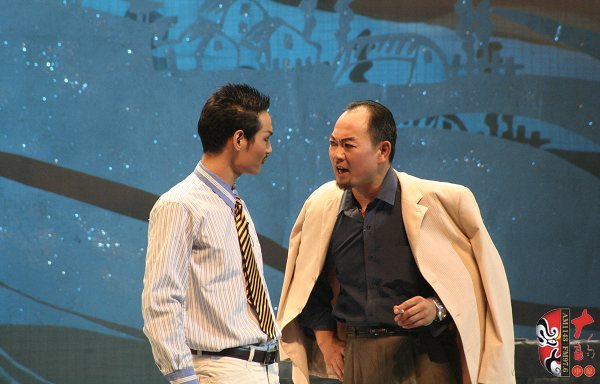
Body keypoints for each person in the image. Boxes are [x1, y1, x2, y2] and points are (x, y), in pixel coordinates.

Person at [276, 100, 515, 384]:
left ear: (383, 150)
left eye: (349, 145)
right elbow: (308, 285)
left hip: (426, 356)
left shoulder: (440, 203)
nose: (337, 155)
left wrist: (435, 308)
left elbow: (474, 286)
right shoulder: (321, 207)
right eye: (333, 144)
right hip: (358, 355)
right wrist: (326, 340)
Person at [142, 83, 281, 384]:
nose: (269, 149)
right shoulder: (180, 204)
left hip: (263, 368)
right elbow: (161, 301)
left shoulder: (233, 204)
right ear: (239, 139)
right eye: (266, 138)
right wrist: (183, 378)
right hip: (220, 370)